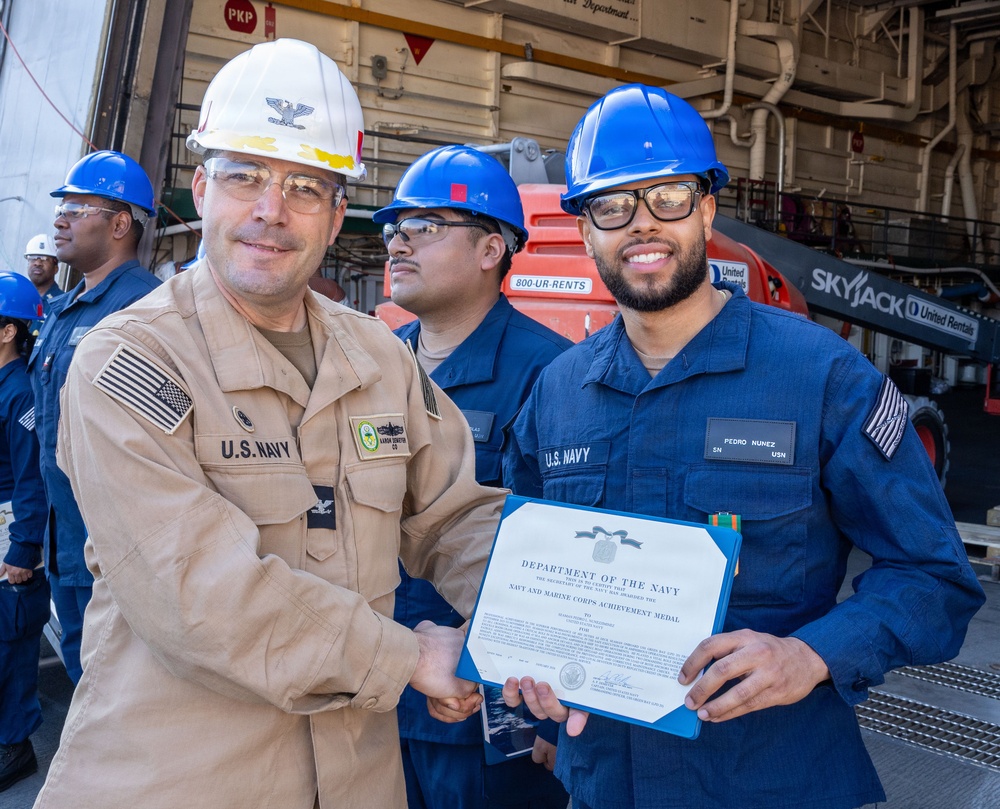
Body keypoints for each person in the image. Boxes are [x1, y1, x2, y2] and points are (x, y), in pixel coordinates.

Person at [32, 38, 502, 809]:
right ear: (202, 186)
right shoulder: (131, 360)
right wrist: (407, 654)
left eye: (305, 187)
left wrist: (542, 627)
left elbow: (457, 518)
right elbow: (198, 591)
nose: (269, 211)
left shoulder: (380, 357)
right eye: (245, 175)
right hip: (177, 784)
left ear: (338, 212)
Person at [501, 84, 986, 809]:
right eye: (612, 205)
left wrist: (812, 654)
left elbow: (934, 575)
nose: (641, 224)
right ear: (585, 227)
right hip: (605, 781)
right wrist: (529, 680)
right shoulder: (558, 391)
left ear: (704, 206)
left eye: (666, 195)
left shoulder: (820, 375)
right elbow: (529, 571)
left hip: (769, 780)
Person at [373, 145, 571, 809]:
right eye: (394, 229)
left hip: (485, 717)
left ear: (491, 250)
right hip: (374, 695)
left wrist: (549, 719)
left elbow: (560, 553)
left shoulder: (553, 375)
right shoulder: (374, 367)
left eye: (424, 227)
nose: (398, 243)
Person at [26, 150, 161, 684]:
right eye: (61, 207)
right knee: (86, 679)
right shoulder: (66, 310)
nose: (60, 219)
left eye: (77, 209)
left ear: (120, 223)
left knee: (121, 691)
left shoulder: (146, 309)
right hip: (66, 543)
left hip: (116, 555)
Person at [0, 273, 49, 793]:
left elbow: (32, 473)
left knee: (10, 640)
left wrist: (23, 547)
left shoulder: (18, 395)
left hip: (10, 531)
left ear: (8, 332)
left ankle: (15, 748)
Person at [22, 234, 63, 337]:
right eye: (33, 258)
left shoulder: (63, 303)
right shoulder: (16, 298)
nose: (37, 263)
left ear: (56, 268)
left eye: (44, 258)